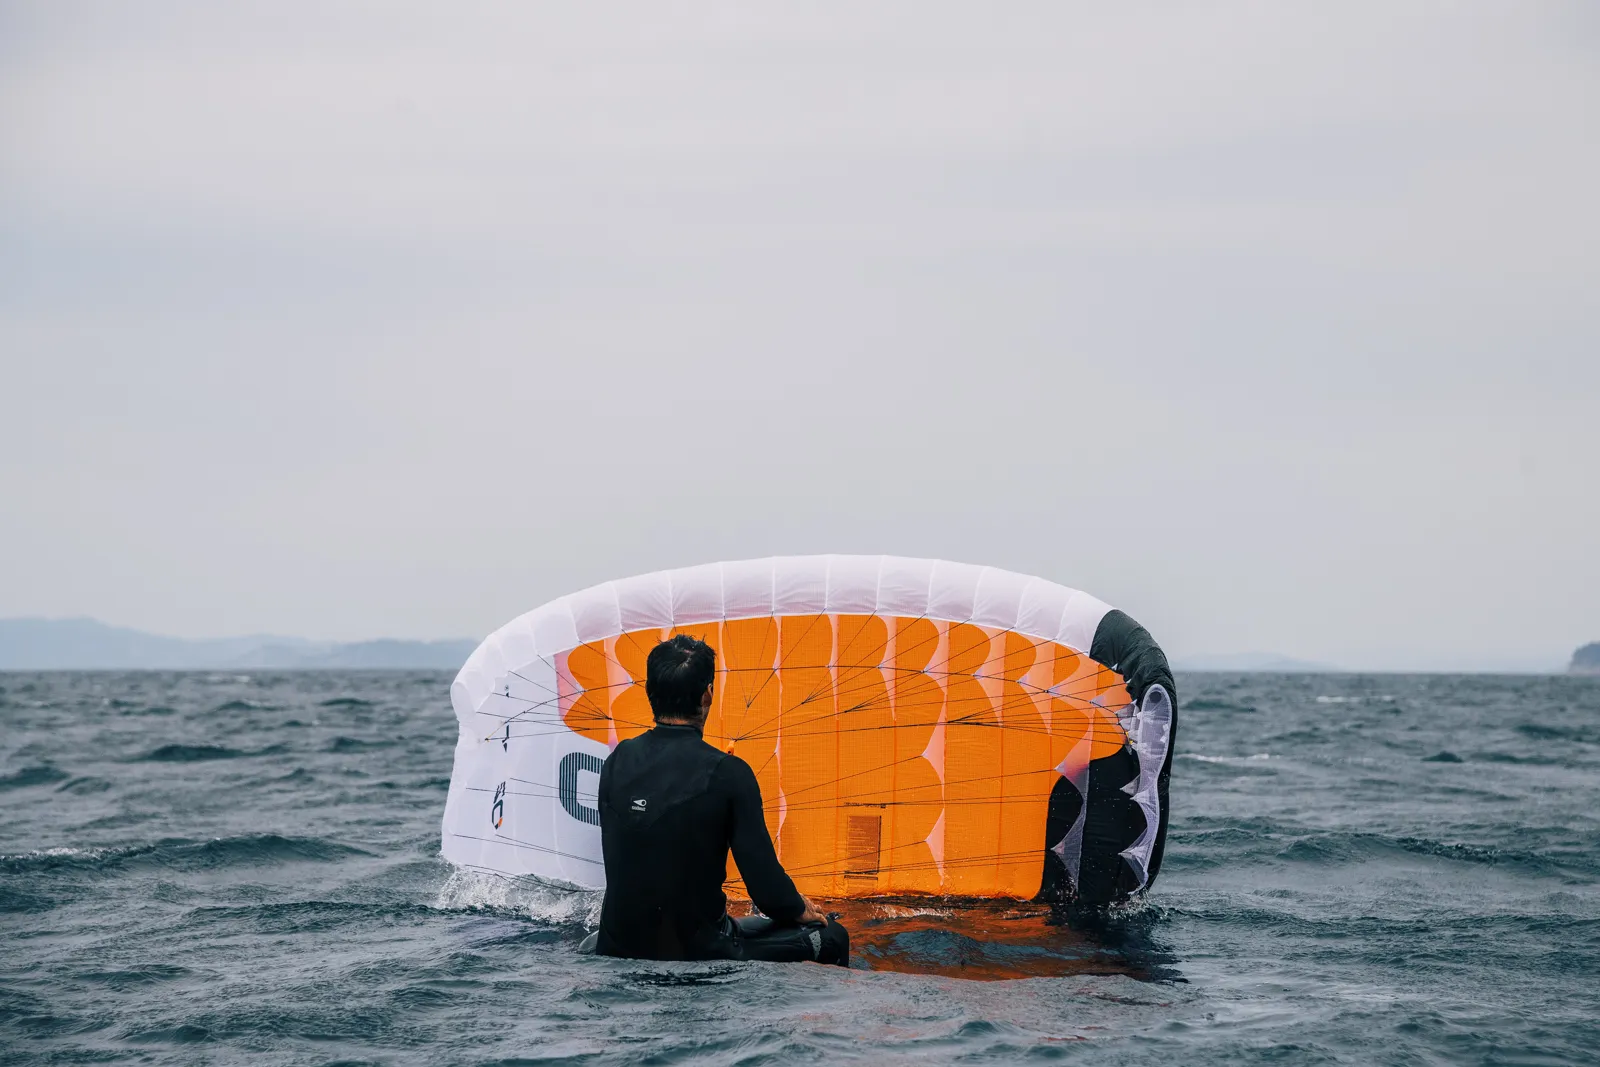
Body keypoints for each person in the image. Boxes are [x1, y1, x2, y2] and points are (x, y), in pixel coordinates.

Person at [591, 634, 849, 966]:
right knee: (833, 936)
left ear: (649, 692)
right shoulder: (729, 773)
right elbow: (766, 890)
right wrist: (798, 908)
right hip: (698, 954)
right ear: (707, 694)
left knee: (739, 926)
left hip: (616, 947)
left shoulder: (616, 761)